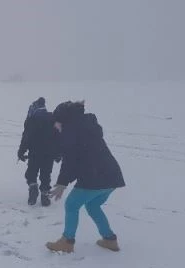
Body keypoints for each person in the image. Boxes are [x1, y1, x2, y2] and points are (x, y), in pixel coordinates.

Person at [45, 101, 125, 253]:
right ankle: (109, 239)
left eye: (56, 123)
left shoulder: (71, 130)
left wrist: (62, 183)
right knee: (93, 205)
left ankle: (67, 242)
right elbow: (81, 156)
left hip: (95, 176)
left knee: (71, 205)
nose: (55, 127)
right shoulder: (87, 126)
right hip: (112, 175)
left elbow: (70, 160)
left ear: (62, 119)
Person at [18, 97, 61, 206]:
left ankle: (33, 189)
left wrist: (21, 151)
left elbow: (26, 137)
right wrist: (58, 153)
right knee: (46, 174)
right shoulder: (53, 118)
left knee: (31, 173)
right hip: (49, 153)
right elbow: (58, 137)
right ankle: (45, 195)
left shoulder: (31, 119)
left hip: (35, 152)